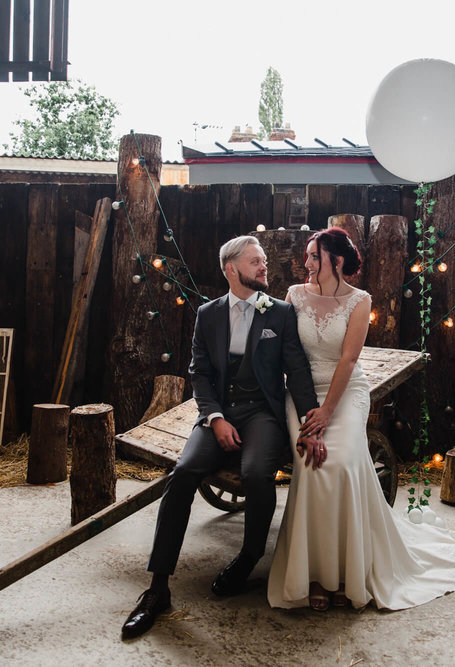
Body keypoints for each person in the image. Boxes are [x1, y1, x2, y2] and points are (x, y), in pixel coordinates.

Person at [267, 227, 455, 611]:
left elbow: (349, 361)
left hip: (345, 393)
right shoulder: (294, 296)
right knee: (312, 465)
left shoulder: (359, 300)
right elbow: (291, 358)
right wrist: (309, 415)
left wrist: (329, 413)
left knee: (343, 462)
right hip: (302, 394)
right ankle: (314, 574)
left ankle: (346, 573)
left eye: (314, 256)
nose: (306, 263)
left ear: (335, 261)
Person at [123, 235, 326, 639]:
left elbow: (298, 371)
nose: (264, 267)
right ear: (231, 269)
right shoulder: (208, 313)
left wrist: (310, 421)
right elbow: (199, 371)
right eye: (256, 262)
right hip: (219, 414)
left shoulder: (280, 313)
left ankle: (248, 557)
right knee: (182, 474)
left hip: (262, 414)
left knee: (255, 475)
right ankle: (158, 588)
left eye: (264, 261)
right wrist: (214, 417)